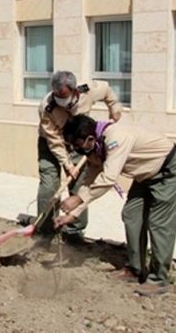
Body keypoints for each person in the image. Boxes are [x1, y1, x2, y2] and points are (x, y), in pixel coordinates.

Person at [55, 114, 176, 297]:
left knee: (159, 223)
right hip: (145, 175)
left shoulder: (116, 138)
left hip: (167, 169)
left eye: (77, 145)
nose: (75, 150)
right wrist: (73, 214)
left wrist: (77, 199)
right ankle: (135, 269)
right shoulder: (94, 148)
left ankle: (159, 280)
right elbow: (90, 180)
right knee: (132, 215)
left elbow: (108, 178)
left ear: (90, 139)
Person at [35, 71, 122, 241]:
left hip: (78, 141)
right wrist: (68, 165)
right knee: (49, 184)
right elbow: (55, 141)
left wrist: (115, 108)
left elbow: (107, 90)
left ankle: (75, 231)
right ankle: (46, 231)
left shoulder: (88, 90)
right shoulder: (46, 107)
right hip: (51, 143)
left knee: (80, 183)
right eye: (58, 97)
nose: (61, 101)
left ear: (75, 91)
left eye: (65, 97)